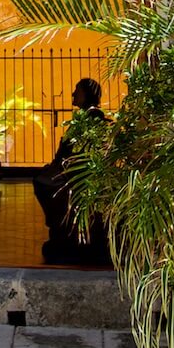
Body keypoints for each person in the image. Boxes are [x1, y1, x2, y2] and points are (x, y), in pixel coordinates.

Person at [34, 78, 110, 264]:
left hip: (77, 173)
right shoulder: (86, 117)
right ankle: (60, 228)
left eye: (77, 90)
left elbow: (75, 150)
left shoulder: (91, 117)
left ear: (86, 94)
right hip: (70, 170)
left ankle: (63, 232)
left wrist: (59, 165)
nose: (73, 94)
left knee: (45, 184)